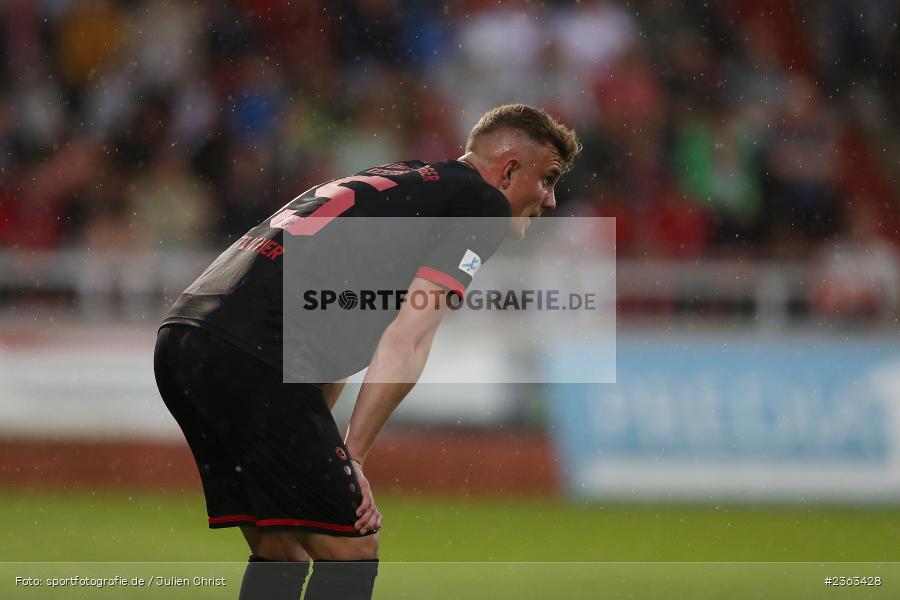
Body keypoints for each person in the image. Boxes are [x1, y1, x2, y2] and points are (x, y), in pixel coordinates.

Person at [153, 103, 580, 599]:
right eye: (547, 179)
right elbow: (410, 337)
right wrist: (351, 458)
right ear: (507, 170)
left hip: (186, 339)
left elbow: (326, 340)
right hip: (254, 350)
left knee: (281, 542)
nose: (550, 201)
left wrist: (329, 453)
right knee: (352, 546)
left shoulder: (404, 181)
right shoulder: (480, 202)